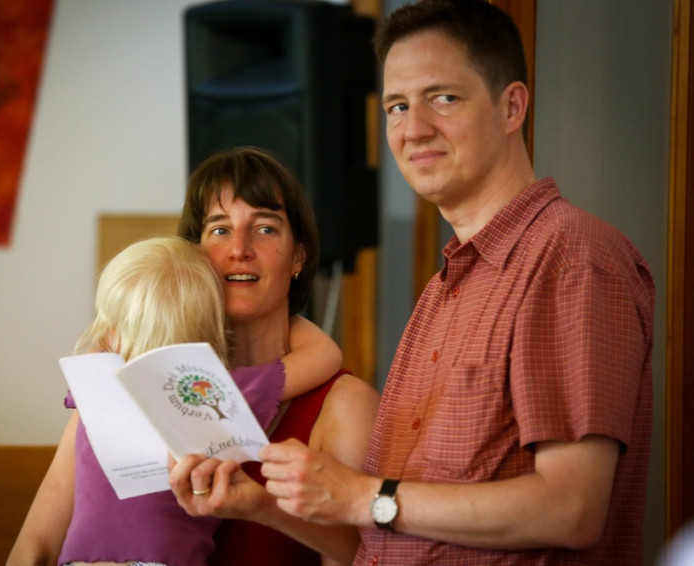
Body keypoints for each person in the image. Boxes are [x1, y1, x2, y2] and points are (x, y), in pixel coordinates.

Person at [169, 1, 655, 565]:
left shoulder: (570, 258)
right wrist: (265, 506)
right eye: (398, 106)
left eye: (443, 98)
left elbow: (572, 508)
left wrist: (363, 497)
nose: (414, 128)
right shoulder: (449, 282)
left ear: (512, 106)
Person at [6, 235, 348, 566]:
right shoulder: (215, 393)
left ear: (110, 332)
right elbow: (325, 354)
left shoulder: (95, 391)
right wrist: (283, 311)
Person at [173, 145, 381, 566]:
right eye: (220, 229)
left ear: (298, 257)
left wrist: (266, 508)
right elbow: (42, 542)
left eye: (265, 228)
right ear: (194, 255)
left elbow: (369, 556)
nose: (240, 248)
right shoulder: (153, 381)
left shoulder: (346, 404)